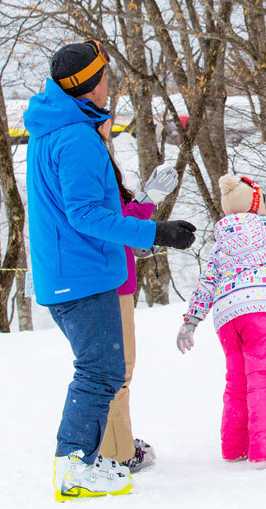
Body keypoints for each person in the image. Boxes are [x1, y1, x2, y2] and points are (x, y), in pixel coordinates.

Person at [24, 39, 197, 501]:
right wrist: (156, 232)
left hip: (72, 271)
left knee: (103, 369)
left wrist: (144, 210)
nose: (109, 84)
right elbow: (84, 214)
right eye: (105, 77)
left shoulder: (55, 129)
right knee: (101, 371)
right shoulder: (76, 137)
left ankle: (89, 459)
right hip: (81, 274)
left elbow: (89, 208)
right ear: (90, 87)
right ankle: (74, 465)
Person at [176, 174, 266, 466]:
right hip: (260, 311)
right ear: (256, 206)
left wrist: (191, 320)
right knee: (262, 376)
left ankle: (234, 445)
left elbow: (206, 285)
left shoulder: (219, 246)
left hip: (227, 317)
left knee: (236, 379)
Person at [95, 118, 180, 474]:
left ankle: (114, 443)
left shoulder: (93, 159)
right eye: (103, 125)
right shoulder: (90, 159)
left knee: (114, 369)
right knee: (118, 370)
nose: (109, 130)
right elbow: (110, 223)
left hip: (113, 279)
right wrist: (149, 201)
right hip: (111, 285)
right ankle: (116, 452)